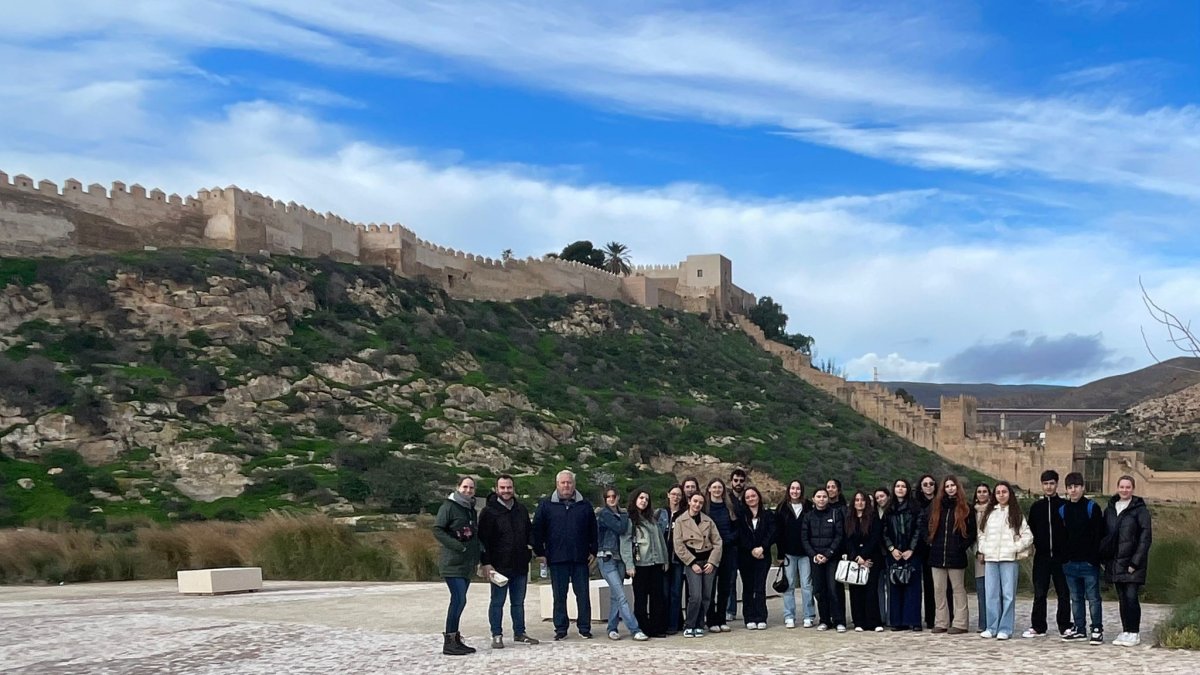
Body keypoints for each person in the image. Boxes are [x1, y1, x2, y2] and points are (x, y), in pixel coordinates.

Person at [532, 470, 598, 641]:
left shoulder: (585, 505)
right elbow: (537, 530)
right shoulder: (546, 505)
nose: (566, 486)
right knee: (559, 596)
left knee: (583, 595)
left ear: (574, 484)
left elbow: (593, 530)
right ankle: (561, 628)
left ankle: (584, 628)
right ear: (557, 484)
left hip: (580, 558)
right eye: (563, 483)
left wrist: (593, 551)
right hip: (557, 558)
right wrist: (540, 552)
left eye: (569, 482)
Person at [478, 475, 539, 649]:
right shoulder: (489, 512)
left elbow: (529, 532)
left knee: (518, 602)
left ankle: (520, 633)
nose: (506, 491)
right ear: (496, 489)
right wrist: (486, 563)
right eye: (503, 487)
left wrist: (531, 549)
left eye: (509, 487)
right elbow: (482, 541)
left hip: (520, 565)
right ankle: (496, 635)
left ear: (513, 488)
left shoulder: (520, 509)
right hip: (498, 566)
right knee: (497, 602)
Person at [432, 476, 482, 656]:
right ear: (458, 488)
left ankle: (455, 639)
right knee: (459, 599)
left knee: (460, 600)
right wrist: (458, 546)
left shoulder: (470, 509)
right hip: (452, 562)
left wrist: (479, 555)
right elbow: (438, 529)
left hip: (467, 563)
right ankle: (449, 642)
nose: (468, 490)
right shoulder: (449, 506)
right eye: (465, 487)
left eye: (471, 488)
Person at [977, 481, 1033, 640]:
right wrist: (984, 549)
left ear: (1010, 494)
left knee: (1008, 594)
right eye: (998, 492)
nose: (1001, 495)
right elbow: (981, 534)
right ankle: (991, 626)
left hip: (1008, 559)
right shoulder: (989, 513)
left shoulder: (1016, 514)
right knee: (991, 594)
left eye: (1004, 492)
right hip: (991, 559)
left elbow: (1028, 536)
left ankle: (1005, 628)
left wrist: (1014, 547)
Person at [1101, 475, 1152, 647]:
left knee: (1131, 597)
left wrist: (1135, 563)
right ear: (1117, 488)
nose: (1124, 490)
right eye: (1122, 487)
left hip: (1132, 563)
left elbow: (1145, 538)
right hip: (1115, 562)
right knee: (1122, 598)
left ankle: (1134, 632)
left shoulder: (1140, 510)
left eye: (1128, 487)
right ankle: (1125, 631)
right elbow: (1105, 536)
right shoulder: (1109, 509)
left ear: (1133, 489)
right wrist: (1103, 558)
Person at [922, 475, 976, 635]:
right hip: (937, 554)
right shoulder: (935, 506)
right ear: (943, 489)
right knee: (938, 589)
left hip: (956, 555)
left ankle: (960, 623)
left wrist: (962, 546)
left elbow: (972, 531)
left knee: (958, 590)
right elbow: (923, 524)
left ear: (957, 487)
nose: (950, 488)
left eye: (953, 485)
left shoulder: (966, 508)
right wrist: (929, 541)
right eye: (947, 486)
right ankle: (941, 621)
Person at [1059, 472, 1107, 645]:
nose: (1073, 490)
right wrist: (1064, 559)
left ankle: (1097, 629)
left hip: (1088, 562)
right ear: (1066, 489)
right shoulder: (1063, 509)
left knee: (1093, 597)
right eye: (1070, 487)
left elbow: (1098, 535)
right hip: (1070, 563)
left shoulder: (1092, 507)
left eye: (1076, 487)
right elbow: (1061, 536)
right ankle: (1080, 629)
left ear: (1083, 487)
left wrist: (1093, 558)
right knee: (1076, 598)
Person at [1024, 470, 1072, 638]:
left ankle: (1065, 625)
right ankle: (1038, 626)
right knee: (1039, 592)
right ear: (1042, 485)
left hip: (1062, 557)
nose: (1049, 487)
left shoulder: (1065, 506)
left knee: (1064, 593)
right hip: (1042, 556)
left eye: (1051, 483)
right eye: (1045, 484)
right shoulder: (1037, 507)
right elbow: (1030, 531)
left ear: (1056, 484)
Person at [597, 487, 648, 641]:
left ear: (618, 497)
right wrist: (625, 515)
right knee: (621, 595)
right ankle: (635, 629)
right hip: (607, 558)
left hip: (619, 558)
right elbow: (620, 528)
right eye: (608, 497)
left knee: (615, 596)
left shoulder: (622, 513)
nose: (611, 499)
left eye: (614, 496)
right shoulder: (605, 514)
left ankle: (612, 628)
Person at [674, 492, 723, 638]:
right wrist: (692, 562)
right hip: (692, 562)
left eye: (700, 503)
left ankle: (700, 624)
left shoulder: (708, 521)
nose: (697, 505)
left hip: (708, 561)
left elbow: (718, 542)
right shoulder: (680, 521)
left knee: (707, 595)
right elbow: (678, 545)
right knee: (695, 596)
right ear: (689, 501)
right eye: (695, 501)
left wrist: (712, 562)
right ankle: (690, 624)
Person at [624, 489, 670, 638]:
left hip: (656, 563)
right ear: (635, 499)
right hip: (640, 565)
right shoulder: (630, 519)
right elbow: (625, 544)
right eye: (641, 498)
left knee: (657, 597)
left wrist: (665, 559)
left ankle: (656, 628)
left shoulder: (652, 520)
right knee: (641, 598)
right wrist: (629, 565)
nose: (644, 501)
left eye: (646, 499)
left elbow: (660, 540)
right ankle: (642, 627)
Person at [802, 488, 846, 632]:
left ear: (828, 499)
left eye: (824, 496)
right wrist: (813, 555)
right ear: (813, 499)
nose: (821, 499)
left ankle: (839, 620)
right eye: (818, 497)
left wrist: (828, 554)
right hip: (815, 558)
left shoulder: (835, 514)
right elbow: (804, 538)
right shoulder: (808, 517)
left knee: (834, 589)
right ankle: (824, 620)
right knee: (819, 590)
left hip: (832, 558)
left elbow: (839, 536)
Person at [776, 479, 817, 629]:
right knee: (789, 585)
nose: (795, 491)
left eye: (798, 488)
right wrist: (780, 554)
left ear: (802, 490)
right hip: (788, 553)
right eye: (792, 488)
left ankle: (809, 615)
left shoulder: (808, 506)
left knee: (807, 585)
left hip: (806, 553)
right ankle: (789, 616)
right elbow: (778, 532)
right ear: (788, 490)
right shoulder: (782, 508)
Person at [883, 478, 923, 631]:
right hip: (894, 553)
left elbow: (919, 530)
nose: (900, 489)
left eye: (903, 486)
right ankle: (897, 622)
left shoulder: (915, 508)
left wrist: (911, 549)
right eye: (897, 486)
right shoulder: (889, 509)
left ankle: (913, 620)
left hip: (911, 552)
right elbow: (884, 531)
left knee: (913, 587)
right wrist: (892, 549)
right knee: (894, 587)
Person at [844, 491, 884, 632]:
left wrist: (865, 556)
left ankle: (874, 622)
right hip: (855, 560)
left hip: (872, 559)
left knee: (871, 590)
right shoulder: (849, 519)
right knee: (856, 591)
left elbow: (875, 539)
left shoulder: (873, 518)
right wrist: (857, 557)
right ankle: (859, 622)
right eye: (857, 500)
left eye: (862, 500)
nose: (859, 502)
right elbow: (847, 540)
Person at [738, 486, 775, 630]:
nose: (750, 499)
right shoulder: (741, 516)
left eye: (753, 496)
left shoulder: (768, 515)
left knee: (760, 587)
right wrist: (751, 549)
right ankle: (749, 617)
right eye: (747, 497)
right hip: (746, 556)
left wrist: (762, 548)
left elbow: (772, 532)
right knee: (747, 587)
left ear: (758, 497)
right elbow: (740, 535)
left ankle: (761, 617)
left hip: (763, 555)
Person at [704, 478, 739, 633]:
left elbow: (738, 528)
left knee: (725, 586)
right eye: (714, 487)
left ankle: (722, 619)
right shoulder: (705, 507)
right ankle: (711, 620)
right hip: (709, 552)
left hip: (728, 550)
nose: (717, 490)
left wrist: (728, 540)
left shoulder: (729, 506)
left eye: (720, 487)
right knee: (710, 587)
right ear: (709, 489)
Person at [657, 484, 687, 634]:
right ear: (668, 494)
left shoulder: (684, 514)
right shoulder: (660, 513)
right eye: (673, 494)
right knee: (664, 593)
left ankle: (673, 625)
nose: (676, 497)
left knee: (676, 593)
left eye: (679, 495)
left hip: (678, 559)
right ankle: (664, 623)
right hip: (663, 559)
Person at [915, 473, 938, 629]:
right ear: (921, 487)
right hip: (919, 548)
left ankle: (939, 617)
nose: (928, 486)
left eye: (931, 484)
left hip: (936, 547)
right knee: (922, 585)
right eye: (925, 484)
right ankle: (925, 618)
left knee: (938, 584)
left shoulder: (940, 502)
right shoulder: (916, 504)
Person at [726, 468, 749, 621]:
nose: (738, 483)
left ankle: (748, 611)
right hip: (732, 545)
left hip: (747, 546)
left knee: (748, 581)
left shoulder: (749, 497)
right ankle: (730, 610)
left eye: (741, 481)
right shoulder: (726, 499)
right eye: (736, 480)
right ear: (731, 481)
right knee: (730, 580)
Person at [972, 483, 992, 633]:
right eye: (979, 492)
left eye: (985, 491)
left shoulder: (994, 511)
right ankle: (983, 623)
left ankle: (994, 622)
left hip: (993, 555)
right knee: (981, 591)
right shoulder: (971, 512)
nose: (982, 494)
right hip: (978, 556)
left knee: (993, 591)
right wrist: (977, 552)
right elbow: (972, 536)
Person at [873, 487, 891, 627]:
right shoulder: (874, 513)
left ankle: (891, 617)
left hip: (891, 553)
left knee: (891, 587)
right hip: (877, 554)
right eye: (877, 497)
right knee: (878, 587)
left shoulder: (893, 511)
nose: (880, 499)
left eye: (882, 496)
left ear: (888, 496)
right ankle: (880, 616)